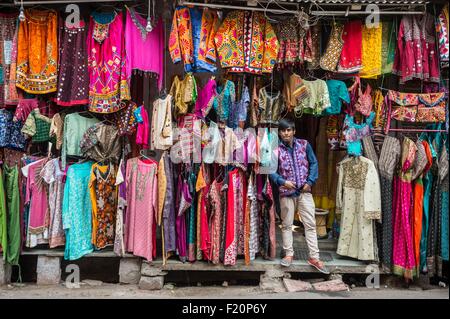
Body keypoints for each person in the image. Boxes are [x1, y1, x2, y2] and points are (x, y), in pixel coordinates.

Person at [270, 118, 329, 274]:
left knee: (310, 224)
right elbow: (270, 171)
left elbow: (314, 163)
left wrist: (310, 181)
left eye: (289, 130)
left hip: (304, 192)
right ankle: (289, 254)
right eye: (283, 130)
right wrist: (282, 181)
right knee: (287, 224)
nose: (286, 133)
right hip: (286, 192)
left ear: (294, 131)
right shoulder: (276, 150)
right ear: (280, 133)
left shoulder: (304, 144)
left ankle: (314, 257)